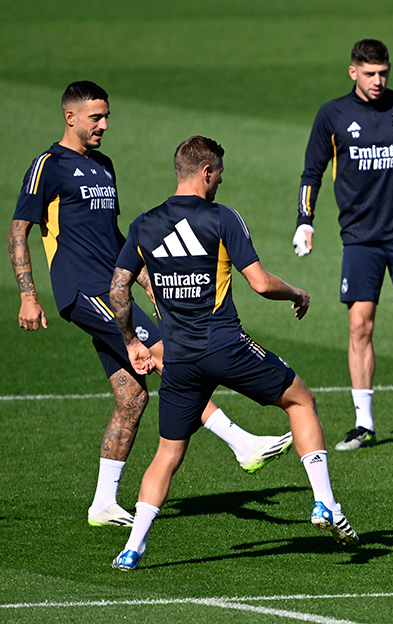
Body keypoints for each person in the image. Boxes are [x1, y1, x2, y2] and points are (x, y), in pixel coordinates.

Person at [8, 82, 293, 528]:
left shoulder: (104, 166)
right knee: (166, 354)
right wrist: (28, 294)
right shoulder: (48, 165)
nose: (104, 125)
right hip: (83, 290)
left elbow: (118, 241)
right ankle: (241, 443)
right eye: (95, 117)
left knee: (132, 396)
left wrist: (148, 284)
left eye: (106, 116)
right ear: (70, 117)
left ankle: (103, 503)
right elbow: (19, 229)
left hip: (112, 287)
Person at [110, 136, 358, 571]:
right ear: (206, 171)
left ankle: (133, 548)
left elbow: (118, 288)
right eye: (219, 172)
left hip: (181, 359)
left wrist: (132, 340)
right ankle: (323, 503)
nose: (220, 180)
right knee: (300, 400)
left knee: (167, 454)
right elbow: (260, 283)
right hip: (226, 346)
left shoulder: (144, 225)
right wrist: (297, 293)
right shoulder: (221, 218)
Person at [293, 39, 393, 450]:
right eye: (369, 74)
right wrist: (305, 221)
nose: (378, 81)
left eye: (383, 72)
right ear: (353, 72)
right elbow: (312, 172)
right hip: (360, 238)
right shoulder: (332, 114)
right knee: (360, 324)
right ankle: (363, 423)